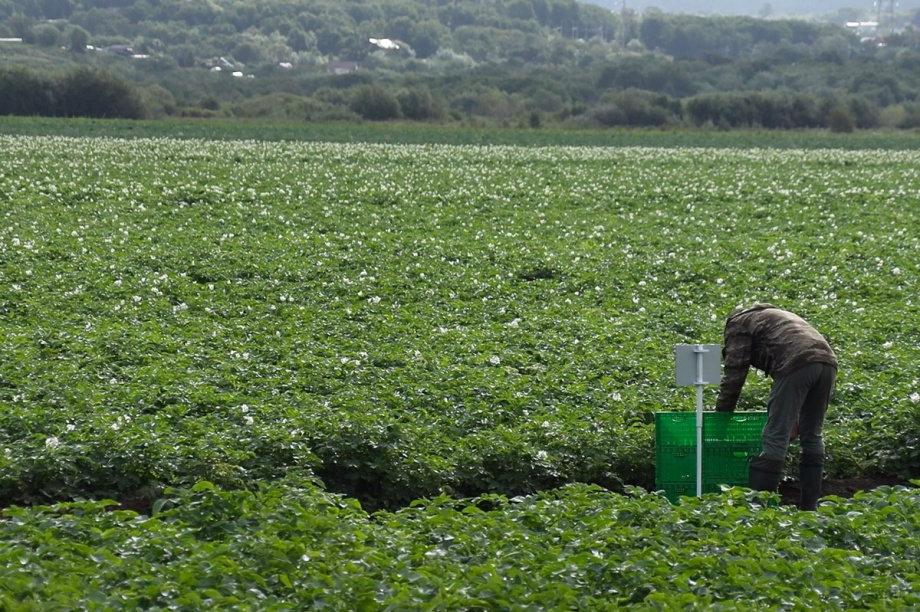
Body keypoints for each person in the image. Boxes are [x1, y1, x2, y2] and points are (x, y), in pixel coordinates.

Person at [715, 304, 838, 510]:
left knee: (776, 434)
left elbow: (735, 373)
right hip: (828, 363)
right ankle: (810, 509)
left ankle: (759, 508)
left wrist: (721, 415)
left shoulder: (738, 323)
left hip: (795, 363)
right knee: (812, 434)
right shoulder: (773, 315)